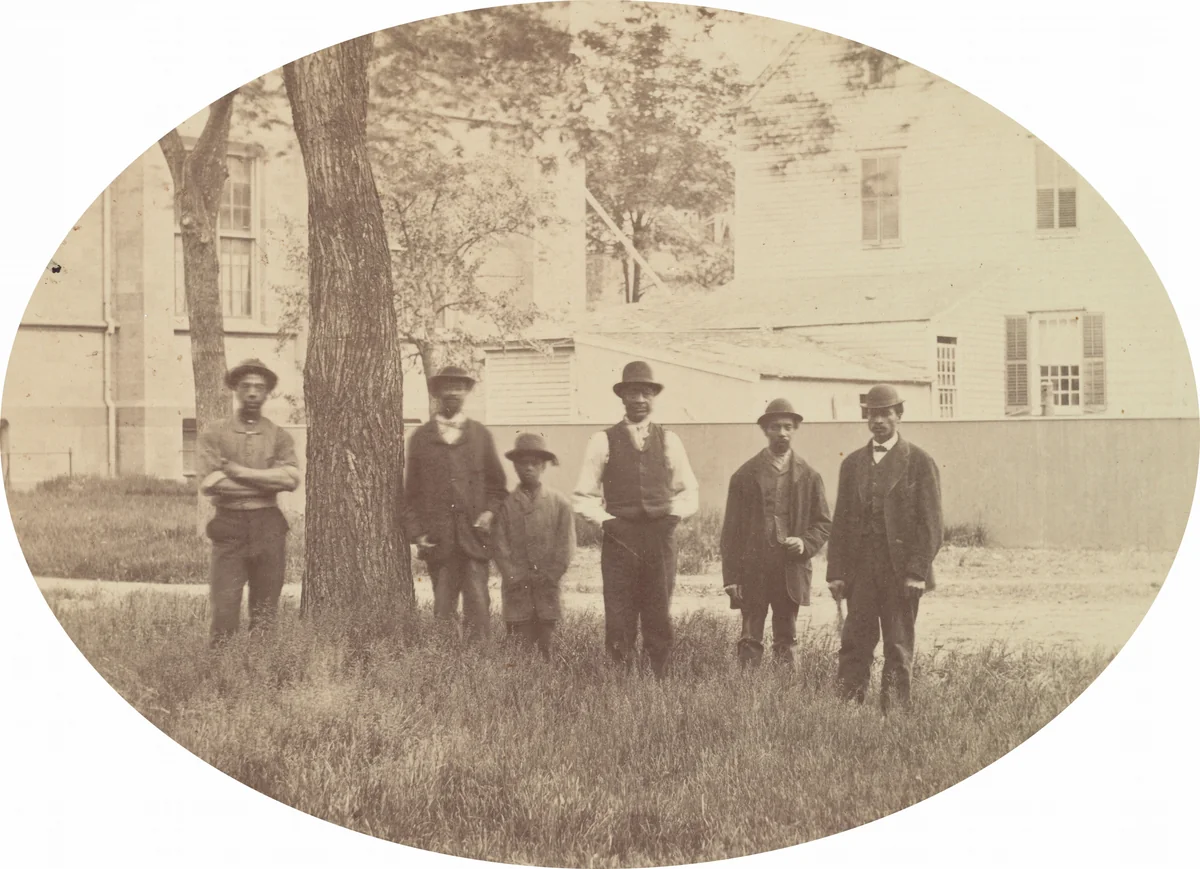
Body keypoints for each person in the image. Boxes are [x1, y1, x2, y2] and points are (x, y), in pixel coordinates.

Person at [573, 360, 699, 678]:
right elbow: (582, 495)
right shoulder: (603, 440)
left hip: (659, 539)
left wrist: (672, 517)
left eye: (646, 392)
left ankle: (659, 680)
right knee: (619, 613)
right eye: (633, 393)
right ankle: (621, 679)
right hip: (620, 540)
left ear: (653, 397)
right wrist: (608, 522)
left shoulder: (669, 440)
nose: (640, 399)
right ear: (623, 397)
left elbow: (689, 491)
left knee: (658, 612)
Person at [826, 384, 943, 712]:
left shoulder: (919, 462)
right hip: (861, 572)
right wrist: (836, 573)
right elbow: (841, 523)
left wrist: (917, 572)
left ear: (899, 416)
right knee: (855, 642)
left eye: (885, 414)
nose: (878, 421)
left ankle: (894, 717)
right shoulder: (851, 465)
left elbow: (932, 525)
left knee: (898, 644)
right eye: (872, 414)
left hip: (901, 574)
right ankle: (846, 713)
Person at [720, 398, 832, 668]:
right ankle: (748, 695)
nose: (782, 433)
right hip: (753, 569)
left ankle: (786, 697)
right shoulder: (744, 475)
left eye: (788, 427)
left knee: (786, 636)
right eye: (775, 427)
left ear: (795, 430)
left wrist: (804, 543)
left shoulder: (810, 477)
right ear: (765, 430)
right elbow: (731, 532)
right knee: (749, 637)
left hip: (789, 569)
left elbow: (823, 523)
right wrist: (732, 577)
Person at [196, 358, 301, 644]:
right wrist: (266, 483)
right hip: (228, 526)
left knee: (265, 611)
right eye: (246, 386)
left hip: (269, 528)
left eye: (259, 387)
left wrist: (240, 473)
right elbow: (211, 484)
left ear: (268, 393)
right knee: (224, 609)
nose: (253, 393)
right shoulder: (214, 433)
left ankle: (261, 675)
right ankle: (222, 676)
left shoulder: (278, 435)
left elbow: (291, 479)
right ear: (235, 390)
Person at [404, 365, 507, 642]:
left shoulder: (480, 436)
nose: (452, 392)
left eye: (459, 387)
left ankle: (479, 669)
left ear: (466, 392)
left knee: (478, 604)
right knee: (443, 610)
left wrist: (488, 513)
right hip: (439, 541)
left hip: (474, 539)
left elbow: (498, 488)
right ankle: (445, 670)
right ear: (436, 392)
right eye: (446, 386)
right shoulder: (421, 438)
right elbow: (410, 494)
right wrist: (418, 534)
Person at [493, 432, 576, 661]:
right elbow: (499, 545)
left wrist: (551, 575)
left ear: (544, 467)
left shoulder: (559, 503)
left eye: (535, 463)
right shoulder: (504, 505)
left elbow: (566, 545)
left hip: (547, 588)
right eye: (523, 463)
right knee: (519, 649)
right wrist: (513, 576)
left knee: (548, 648)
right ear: (515, 467)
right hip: (516, 589)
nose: (528, 468)